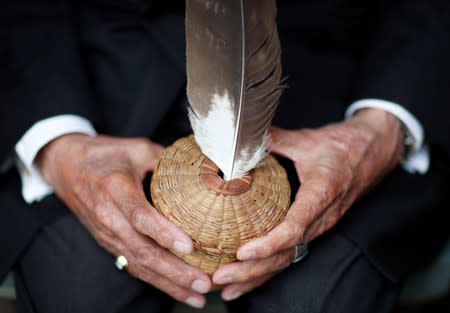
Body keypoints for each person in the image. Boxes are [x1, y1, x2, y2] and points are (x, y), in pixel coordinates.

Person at [1, 0, 449, 312]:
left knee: (314, 302)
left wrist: (380, 127)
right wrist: (57, 141)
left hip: (326, 92)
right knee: (81, 294)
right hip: (91, 89)